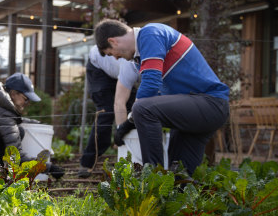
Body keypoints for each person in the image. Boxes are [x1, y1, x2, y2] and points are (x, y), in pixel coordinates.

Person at [94, 19, 230, 175]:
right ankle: (167, 187)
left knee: (142, 108)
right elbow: (159, 98)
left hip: (210, 103)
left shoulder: (150, 34)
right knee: (179, 176)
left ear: (113, 41)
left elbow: (151, 85)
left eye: (111, 54)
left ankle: (152, 177)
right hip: (196, 109)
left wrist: (129, 122)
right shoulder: (141, 57)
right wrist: (131, 122)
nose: (116, 58)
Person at [78, 45, 138, 178]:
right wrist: (120, 131)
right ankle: (87, 163)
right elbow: (119, 103)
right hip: (99, 69)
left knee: (134, 111)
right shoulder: (129, 63)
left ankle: (131, 159)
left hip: (120, 72)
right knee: (106, 112)